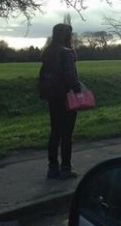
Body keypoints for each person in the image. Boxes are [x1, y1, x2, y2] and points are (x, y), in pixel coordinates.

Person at [40, 23, 81, 180]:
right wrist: (79, 90)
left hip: (52, 96)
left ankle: (52, 167)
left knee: (55, 132)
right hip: (66, 97)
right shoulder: (67, 53)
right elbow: (71, 77)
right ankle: (66, 167)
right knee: (66, 134)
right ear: (67, 35)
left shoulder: (48, 52)